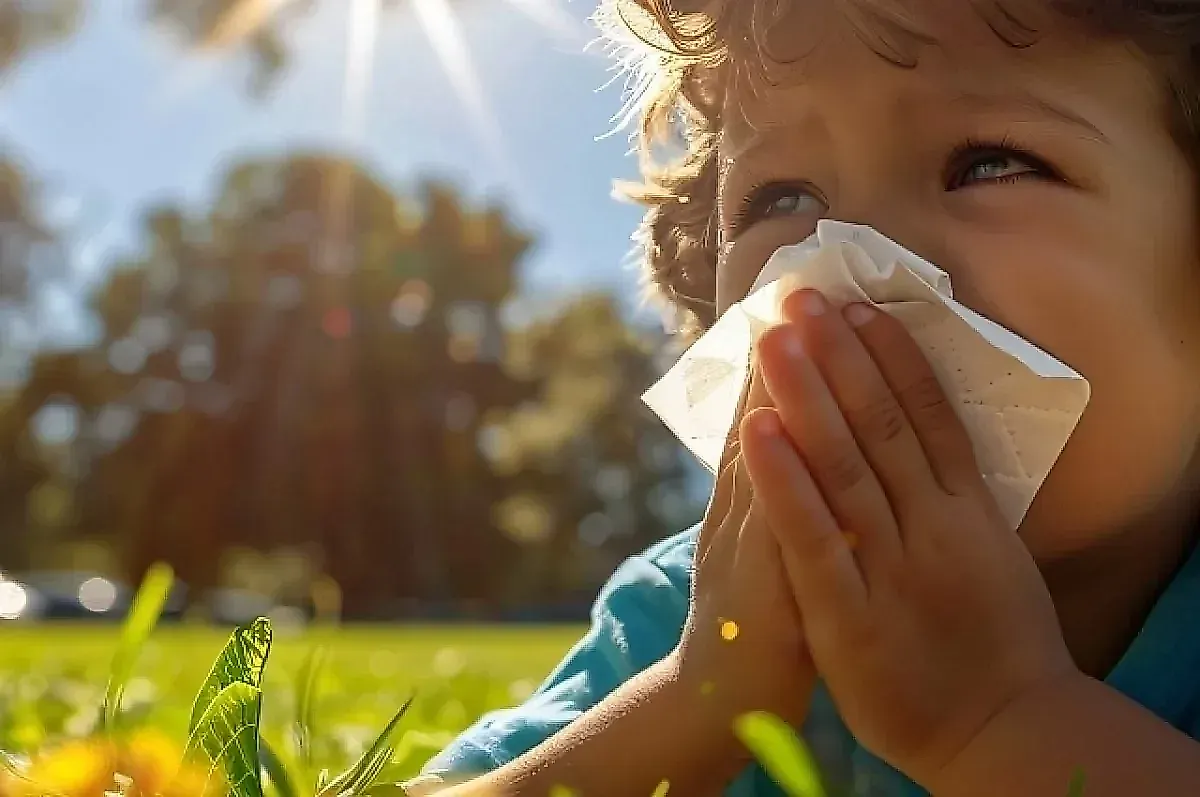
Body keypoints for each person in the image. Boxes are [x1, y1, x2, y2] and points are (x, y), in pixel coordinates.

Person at [403, 0, 1200, 794]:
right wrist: (694, 700)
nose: (856, 258)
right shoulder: (696, 607)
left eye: (987, 164)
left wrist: (1005, 722)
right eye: (780, 200)